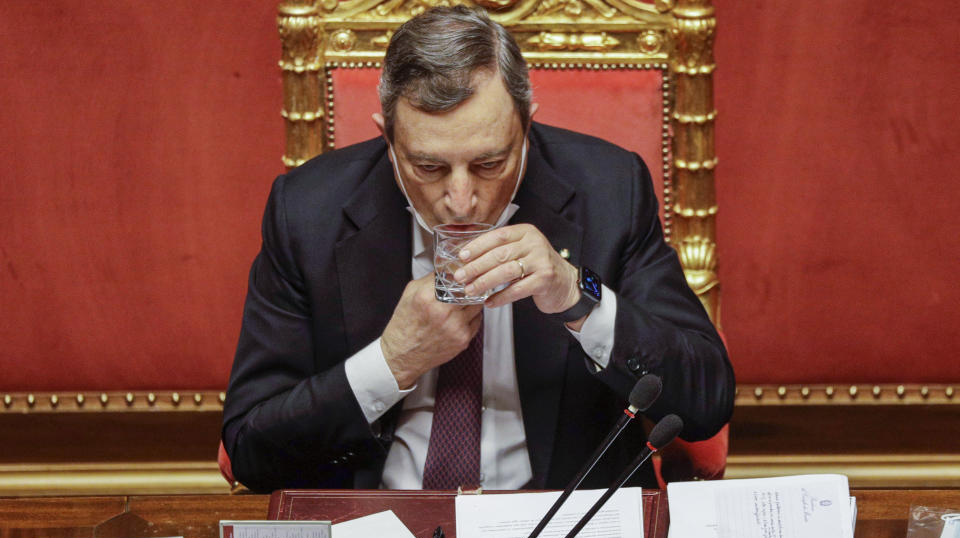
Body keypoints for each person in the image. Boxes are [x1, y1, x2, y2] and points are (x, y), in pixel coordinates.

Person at [222, 5, 734, 493]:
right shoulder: (309, 211)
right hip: (376, 524)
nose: (461, 200)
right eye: (429, 167)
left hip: (559, 526)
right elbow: (249, 448)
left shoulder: (610, 190)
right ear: (387, 139)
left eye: (490, 164)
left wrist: (579, 295)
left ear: (527, 125)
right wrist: (391, 362)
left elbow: (707, 400)